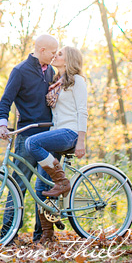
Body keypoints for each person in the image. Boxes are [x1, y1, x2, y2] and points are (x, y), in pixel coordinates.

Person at [0, 34, 58, 244]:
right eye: (53, 52)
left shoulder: (51, 71)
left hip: (48, 137)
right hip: (26, 137)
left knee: (45, 187)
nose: (56, 55)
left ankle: (42, 237)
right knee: (18, 186)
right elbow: (5, 102)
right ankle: (8, 235)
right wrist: (2, 123)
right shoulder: (20, 71)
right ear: (42, 51)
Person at [25, 46, 88, 243]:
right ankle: (45, 236)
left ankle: (62, 182)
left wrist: (81, 141)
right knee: (40, 186)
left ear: (69, 60)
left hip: (69, 133)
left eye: (59, 53)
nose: (55, 55)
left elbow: (82, 112)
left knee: (31, 143)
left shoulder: (78, 81)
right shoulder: (56, 83)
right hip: (56, 134)